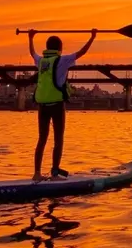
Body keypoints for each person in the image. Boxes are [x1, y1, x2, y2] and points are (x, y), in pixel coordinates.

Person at [28, 28, 97, 181]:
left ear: (47, 47)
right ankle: (54, 174)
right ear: (59, 48)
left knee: (42, 139)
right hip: (57, 106)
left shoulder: (41, 61)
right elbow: (81, 52)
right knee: (58, 139)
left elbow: (32, 52)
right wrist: (92, 37)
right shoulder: (62, 60)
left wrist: (30, 37)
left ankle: (36, 174)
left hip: (42, 106)